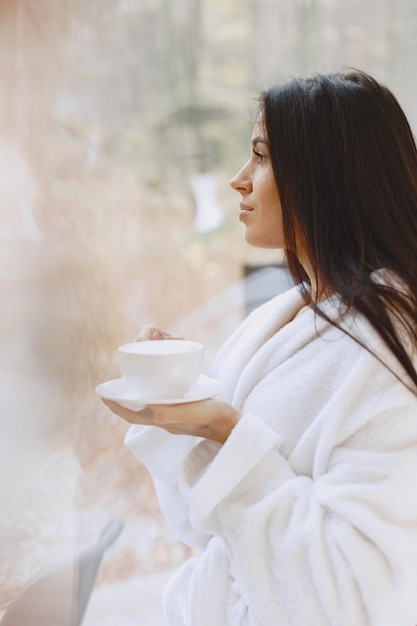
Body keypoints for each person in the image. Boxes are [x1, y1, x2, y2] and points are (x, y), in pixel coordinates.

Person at [103, 70, 417, 625]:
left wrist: (225, 429)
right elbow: (205, 525)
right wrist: (191, 404)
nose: (238, 180)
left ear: (327, 176)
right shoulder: (292, 312)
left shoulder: (385, 352)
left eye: (261, 156)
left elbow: (354, 595)